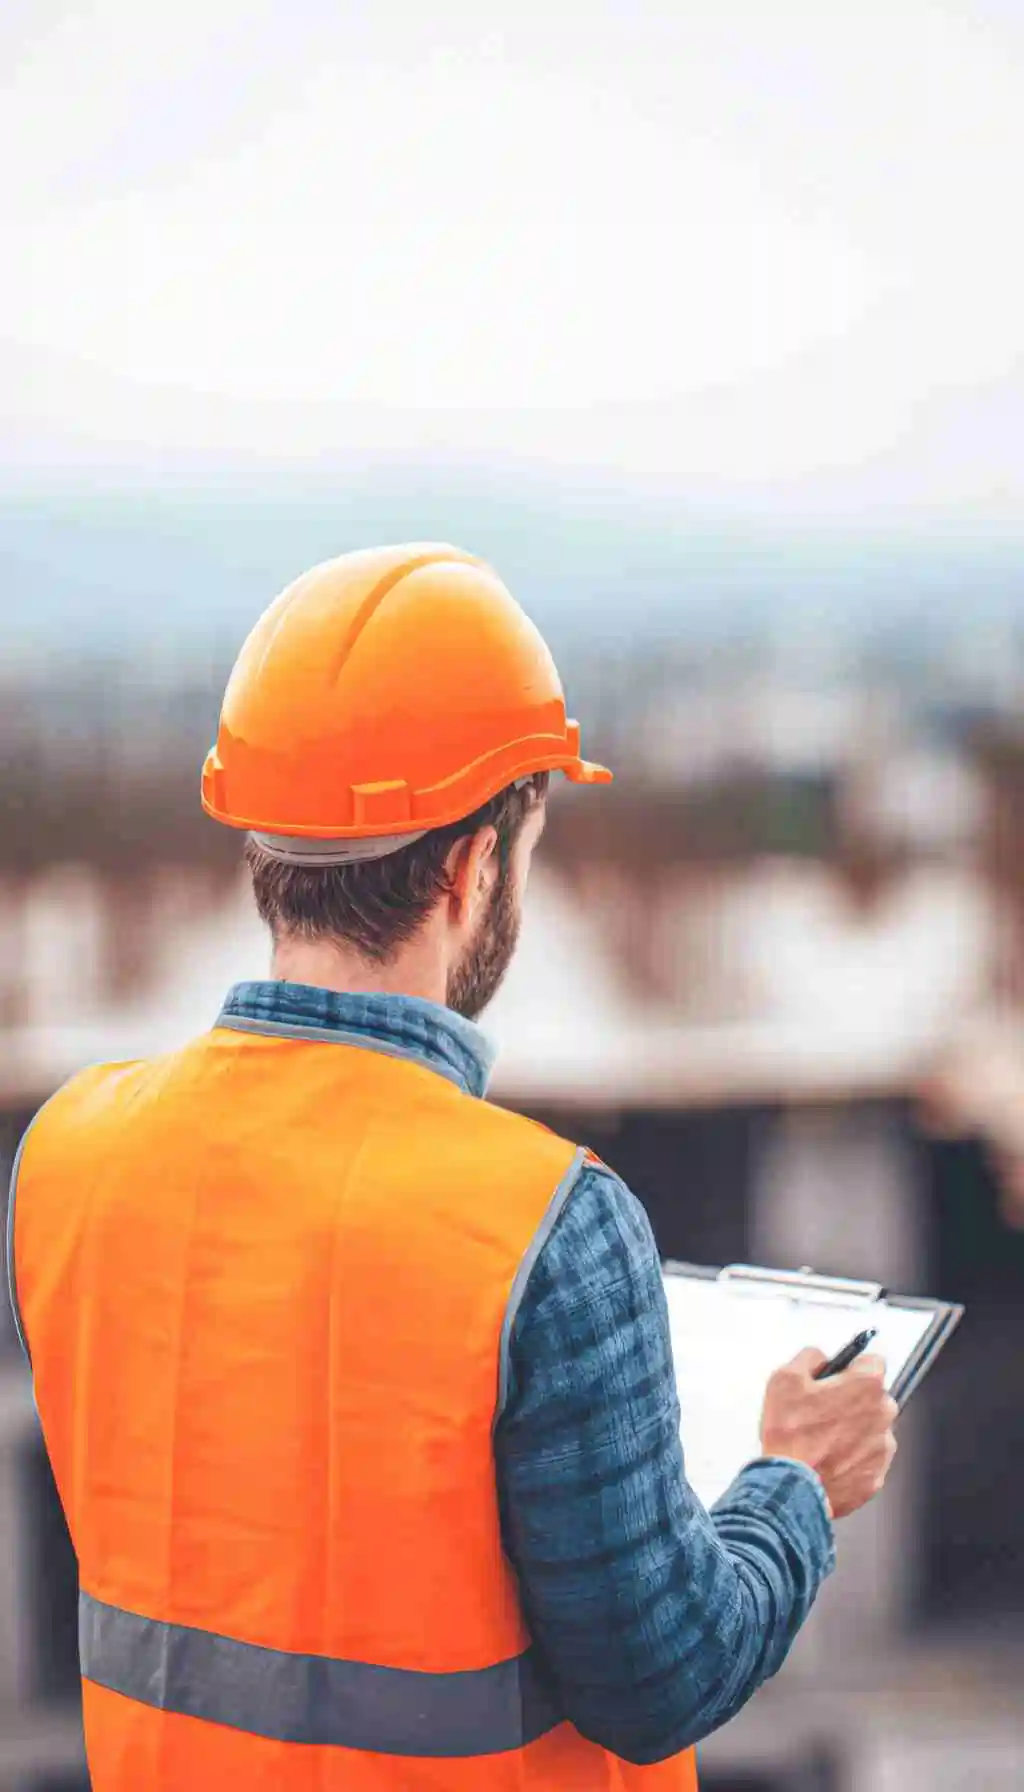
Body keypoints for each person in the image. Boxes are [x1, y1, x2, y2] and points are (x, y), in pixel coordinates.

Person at [7, 544, 897, 1791]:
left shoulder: (69, 1152)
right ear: (474, 867)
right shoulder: (549, 1224)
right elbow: (663, 1678)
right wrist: (794, 1480)